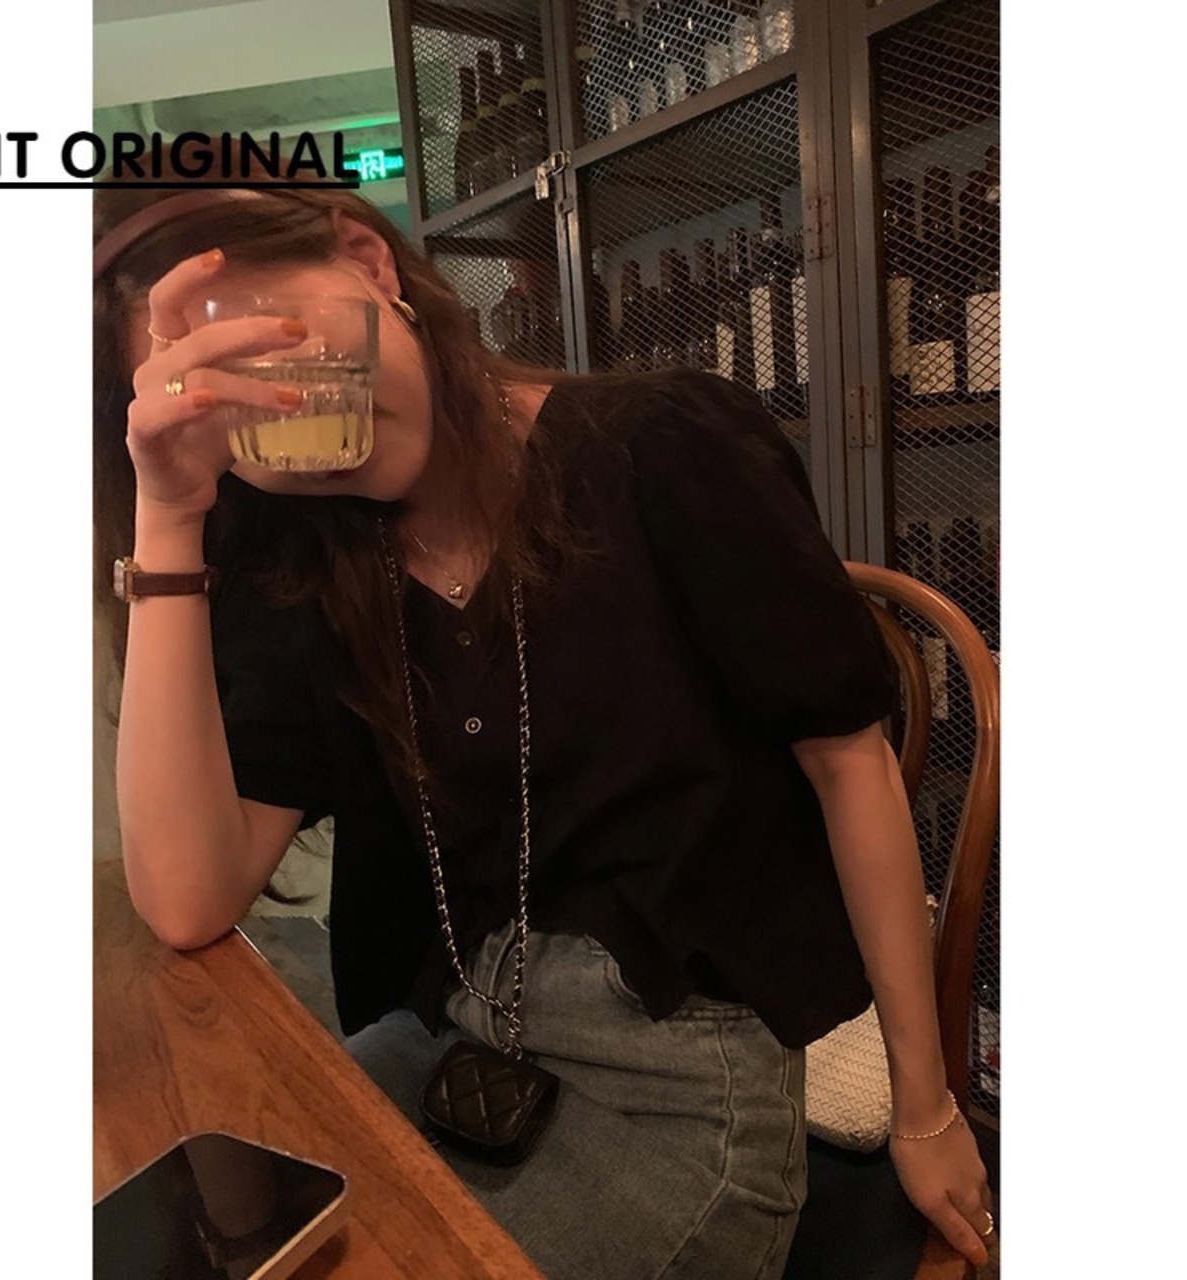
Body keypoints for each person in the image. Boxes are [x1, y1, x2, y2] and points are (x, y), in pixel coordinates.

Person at [93, 179, 992, 1279]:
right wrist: (169, 516)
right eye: (215, 399)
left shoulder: (660, 445)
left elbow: (851, 765)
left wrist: (926, 1108)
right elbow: (189, 897)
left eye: (275, 345)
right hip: (453, 1040)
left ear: (368, 264)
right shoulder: (310, 555)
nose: (287, 417)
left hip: (681, 1085)